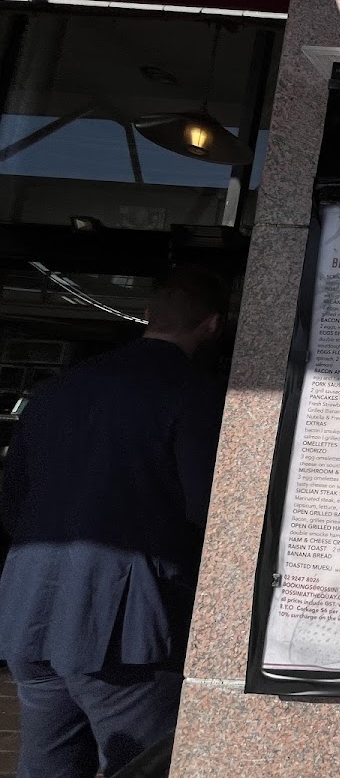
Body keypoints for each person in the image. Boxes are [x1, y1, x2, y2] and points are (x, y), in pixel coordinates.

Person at [0, 267, 226, 778]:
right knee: (141, 764)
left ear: (147, 315)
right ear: (213, 325)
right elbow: (206, 509)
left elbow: (12, 501)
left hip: (30, 607)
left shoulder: (58, 388)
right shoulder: (196, 393)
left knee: (46, 764)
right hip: (123, 626)